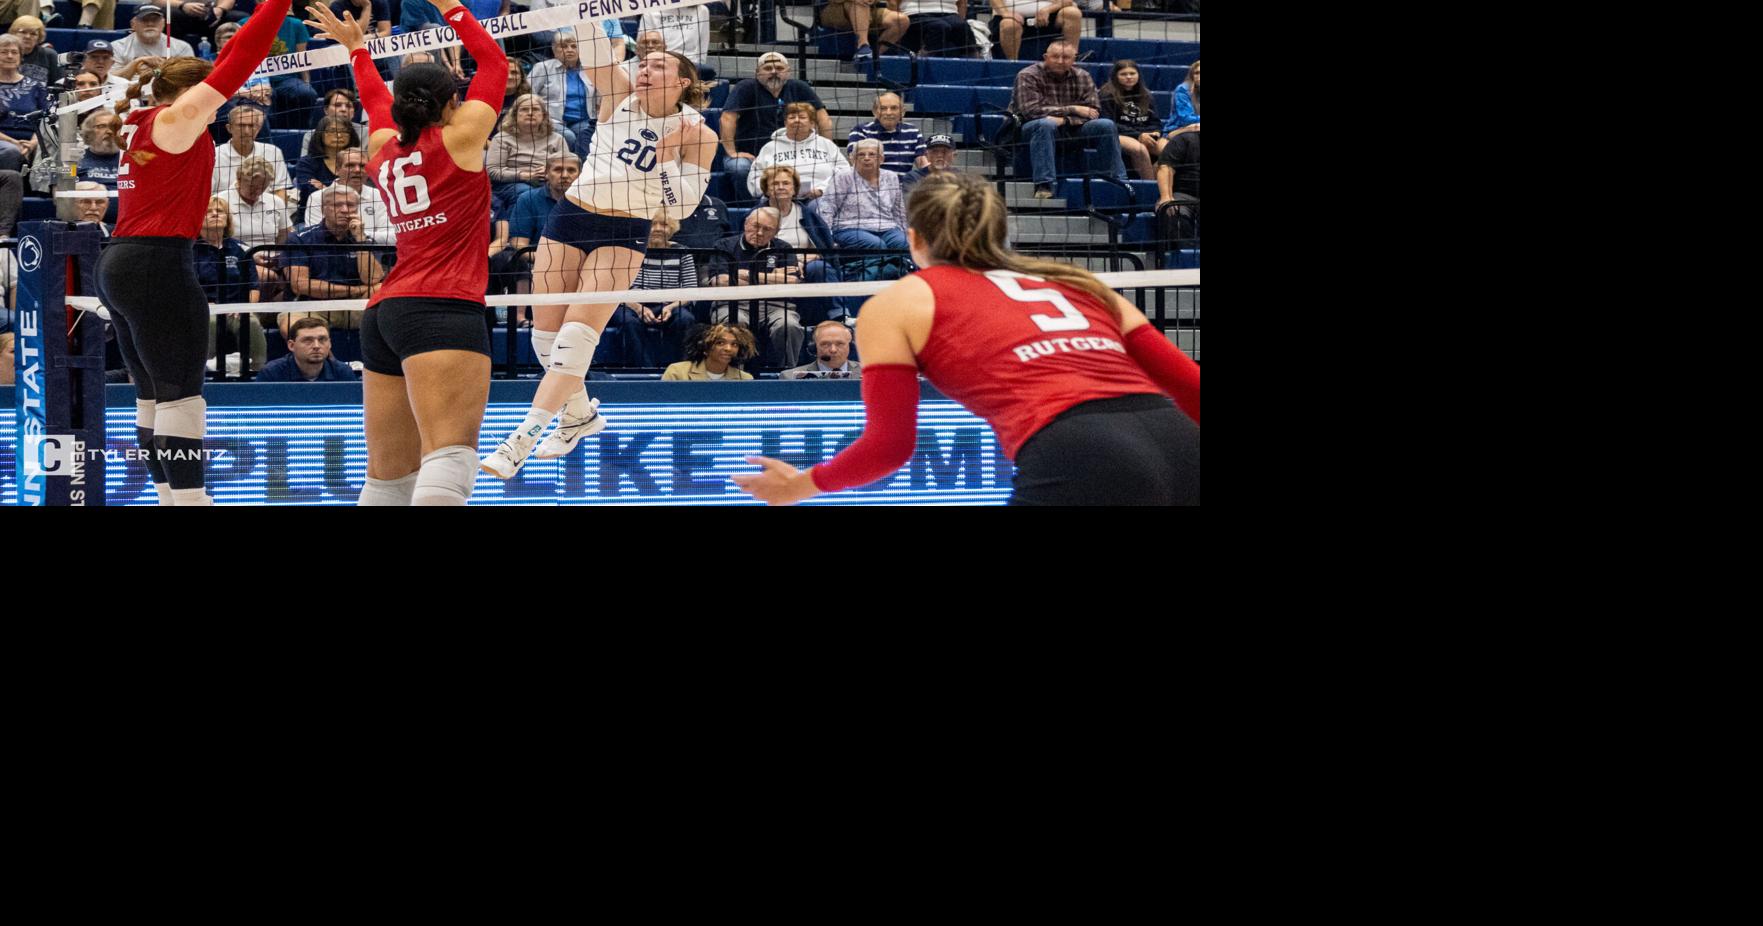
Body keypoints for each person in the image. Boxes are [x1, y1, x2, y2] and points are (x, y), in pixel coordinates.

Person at [736, 172, 1200, 505]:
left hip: (1077, 450)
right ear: (1000, 232)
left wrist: (800, 485)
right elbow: (1191, 387)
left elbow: (890, 446)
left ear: (914, 239)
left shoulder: (899, 302)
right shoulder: (1075, 282)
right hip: (1180, 440)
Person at [481, 27, 716, 478]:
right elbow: (593, 52)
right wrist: (585, 15)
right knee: (545, 339)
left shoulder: (697, 133)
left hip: (624, 230)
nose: (645, 69)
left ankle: (519, 442)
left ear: (682, 80)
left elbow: (682, 207)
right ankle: (579, 415)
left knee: (575, 339)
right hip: (570, 216)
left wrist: (666, 156)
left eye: (658, 65)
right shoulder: (620, 94)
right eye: (643, 62)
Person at [94, 0, 294, 507]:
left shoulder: (139, 118)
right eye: (210, 97)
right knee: (182, 397)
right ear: (188, 94)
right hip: (156, 264)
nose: (218, 108)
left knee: (154, 399)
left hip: (121, 263)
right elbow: (240, 57)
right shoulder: (176, 120)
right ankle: (191, 502)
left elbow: (222, 60)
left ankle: (170, 500)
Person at [306, 0, 505, 504]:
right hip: (443, 307)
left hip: (386, 313)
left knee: (388, 477)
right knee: (450, 456)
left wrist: (357, 49)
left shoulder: (381, 148)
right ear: (450, 103)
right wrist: (450, 5)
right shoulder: (462, 139)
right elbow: (495, 63)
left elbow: (375, 99)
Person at [1010, 40, 1126, 198]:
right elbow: (1031, 111)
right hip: (1029, 129)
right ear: (1045, 57)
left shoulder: (1083, 76)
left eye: (1065, 57)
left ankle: (1117, 181)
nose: (1060, 61)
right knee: (1045, 124)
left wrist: (1065, 120)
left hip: (1072, 129)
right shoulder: (1027, 75)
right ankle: (1045, 185)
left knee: (1106, 125)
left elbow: (1093, 111)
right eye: (1055, 56)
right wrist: (1073, 109)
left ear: (1074, 59)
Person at [719, 52, 831, 204]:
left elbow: (823, 119)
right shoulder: (746, 87)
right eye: (767, 68)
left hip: (787, 155)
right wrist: (732, 152)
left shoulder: (798, 87)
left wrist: (825, 147)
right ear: (757, 73)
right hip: (751, 155)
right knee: (739, 167)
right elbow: (727, 118)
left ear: (788, 72)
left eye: (779, 68)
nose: (773, 72)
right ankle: (754, 208)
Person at [280, 185, 388, 332]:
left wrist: (360, 240)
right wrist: (355, 290)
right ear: (324, 209)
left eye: (350, 205)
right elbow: (301, 285)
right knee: (290, 324)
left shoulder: (364, 239)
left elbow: (372, 279)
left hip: (354, 306)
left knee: (380, 289)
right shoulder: (300, 239)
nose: (345, 210)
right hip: (313, 307)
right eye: (337, 205)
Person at [760, 163, 848, 322]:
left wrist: (803, 261)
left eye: (786, 183)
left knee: (819, 267)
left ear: (794, 189)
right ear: (766, 190)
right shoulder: (756, 215)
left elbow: (823, 249)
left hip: (805, 263)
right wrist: (787, 264)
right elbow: (750, 251)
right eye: (775, 183)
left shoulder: (808, 215)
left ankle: (840, 316)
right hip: (771, 265)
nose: (781, 187)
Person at [609, 215, 697, 368]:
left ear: (672, 229)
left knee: (685, 319)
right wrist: (638, 307)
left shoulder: (682, 251)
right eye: (652, 224)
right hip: (630, 304)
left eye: (663, 224)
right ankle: (644, 369)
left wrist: (671, 307)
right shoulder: (630, 249)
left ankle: (677, 369)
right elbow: (615, 288)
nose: (657, 229)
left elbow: (691, 290)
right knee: (628, 321)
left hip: (669, 304)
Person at [819, 138, 908, 282]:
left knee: (904, 243)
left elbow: (898, 210)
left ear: (881, 159)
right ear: (853, 159)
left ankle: (905, 282)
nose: (866, 158)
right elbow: (827, 207)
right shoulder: (843, 176)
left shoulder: (891, 177)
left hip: (887, 227)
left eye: (872, 154)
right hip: (849, 227)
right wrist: (827, 238)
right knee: (876, 245)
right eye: (861, 154)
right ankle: (867, 283)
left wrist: (904, 232)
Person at [194, 194, 266, 371]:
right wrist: (203, 304)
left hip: (236, 309)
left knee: (251, 323)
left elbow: (253, 286)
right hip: (204, 309)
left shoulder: (239, 249)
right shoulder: (190, 250)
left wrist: (246, 307)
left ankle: (258, 371)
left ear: (227, 219)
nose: (215, 214)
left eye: (220, 211)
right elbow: (186, 287)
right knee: (211, 322)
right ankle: (203, 372)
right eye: (208, 212)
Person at [527, 29, 609, 156]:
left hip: (583, 120)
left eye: (574, 46)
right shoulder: (542, 68)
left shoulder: (589, 69)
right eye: (564, 46)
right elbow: (527, 95)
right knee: (569, 137)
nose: (570, 50)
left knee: (587, 135)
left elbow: (601, 97)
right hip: (550, 121)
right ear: (555, 50)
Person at [487, 92, 568, 213]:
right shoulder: (502, 138)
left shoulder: (557, 138)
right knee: (527, 194)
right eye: (524, 109)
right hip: (511, 184)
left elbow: (568, 166)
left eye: (535, 109)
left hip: (548, 181)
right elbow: (492, 171)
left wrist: (550, 172)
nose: (530, 113)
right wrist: (524, 175)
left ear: (543, 115)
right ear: (515, 114)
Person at [747, 101, 845, 200]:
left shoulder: (826, 145)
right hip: (779, 198)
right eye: (792, 117)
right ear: (785, 123)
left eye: (802, 117)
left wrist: (822, 189)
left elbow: (843, 171)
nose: (797, 120)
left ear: (812, 123)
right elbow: (754, 178)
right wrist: (771, 190)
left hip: (821, 197)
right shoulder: (770, 147)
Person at [302, 147, 394, 242]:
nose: (357, 170)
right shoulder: (318, 197)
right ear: (337, 170)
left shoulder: (381, 195)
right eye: (350, 165)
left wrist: (359, 234)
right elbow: (314, 237)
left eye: (362, 166)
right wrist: (356, 236)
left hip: (371, 250)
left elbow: (392, 237)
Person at [1099, 59, 1164, 180]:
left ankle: (1160, 183)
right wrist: (1138, 135)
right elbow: (1109, 124)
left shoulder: (1146, 94)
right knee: (1139, 149)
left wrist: (1156, 132)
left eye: (1132, 73)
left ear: (1138, 75)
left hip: (1144, 133)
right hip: (1118, 134)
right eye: (1123, 74)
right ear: (1115, 76)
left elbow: (1155, 122)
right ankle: (1149, 186)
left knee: (1168, 149)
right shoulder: (1106, 94)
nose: (1129, 77)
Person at [211, 103, 294, 197]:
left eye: (251, 126)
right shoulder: (214, 155)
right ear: (229, 128)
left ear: (258, 129)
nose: (246, 131)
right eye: (241, 125)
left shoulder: (273, 152)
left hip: (264, 205)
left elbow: (280, 190)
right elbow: (208, 195)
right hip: (224, 205)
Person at [290, 113, 356, 216]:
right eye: (332, 131)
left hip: (353, 213)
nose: (339, 135)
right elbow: (310, 191)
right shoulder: (306, 163)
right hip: (313, 215)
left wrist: (324, 189)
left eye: (344, 131)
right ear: (320, 134)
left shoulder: (357, 161)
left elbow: (360, 190)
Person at [845, 91, 925, 175]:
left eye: (894, 108)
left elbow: (923, 164)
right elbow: (854, 161)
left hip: (905, 183)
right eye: (883, 108)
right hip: (870, 181)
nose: (888, 113)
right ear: (875, 112)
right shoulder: (861, 131)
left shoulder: (913, 132)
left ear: (903, 112)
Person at [255, 317, 360, 381]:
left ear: (330, 343)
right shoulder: (271, 374)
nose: (316, 346)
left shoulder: (343, 373)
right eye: (308, 340)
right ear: (291, 345)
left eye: (322, 339)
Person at [0, 34, 47, 172]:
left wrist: (33, 143)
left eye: (14, 52)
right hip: (4, 141)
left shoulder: (36, 86)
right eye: (4, 52)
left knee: (58, 149)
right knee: (11, 151)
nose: (10, 56)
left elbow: (46, 119)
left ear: (21, 57)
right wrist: (15, 143)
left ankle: (64, 185)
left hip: (34, 139)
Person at [818, 0, 908, 65]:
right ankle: (862, 47)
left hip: (867, 8)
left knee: (901, 21)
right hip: (834, 9)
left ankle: (873, 57)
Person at [661, 322, 756, 380]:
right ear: (705, 347)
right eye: (720, 343)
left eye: (734, 344)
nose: (728, 348)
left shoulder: (745, 379)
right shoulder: (677, 372)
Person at [989, 0, 1080, 60]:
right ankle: (1012, 64)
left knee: (1072, 13)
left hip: (1049, 18)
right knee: (1009, 24)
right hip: (1011, 18)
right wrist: (1005, 13)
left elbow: (1067, 1)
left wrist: (1047, 10)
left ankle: (1072, 57)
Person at [110, 7, 196, 68]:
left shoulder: (182, 48)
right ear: (133, 24)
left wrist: (164, 68)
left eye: (155, 20)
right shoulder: (117, 47)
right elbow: (110, 79)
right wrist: (135, 63)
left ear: (163, 24)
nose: (150, 24)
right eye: (144, 20)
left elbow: (189, 78)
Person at [780, 320, 861, 379]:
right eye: (825, 344)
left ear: (850, 346)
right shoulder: (789, 377)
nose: (833, 350)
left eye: (840, 344)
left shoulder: (868, 373)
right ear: (814, 347)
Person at [300, 87, 365, 154]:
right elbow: (306, 160)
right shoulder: (311, 135)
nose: (343, 109)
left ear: (353, 112)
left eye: (348, 106)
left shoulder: (366, 133)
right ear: (326, 110)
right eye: (337, 105)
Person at [898, 0, 970, 58]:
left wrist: (960, 19)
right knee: (940, 26)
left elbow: (962, 3)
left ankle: (972, 63)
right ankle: (921, 59)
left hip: (949, 13)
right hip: (915, 13)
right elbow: (893, 3)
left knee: (963, 27)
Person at [76, 109, 122, 188]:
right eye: (102, 126)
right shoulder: (75, 162)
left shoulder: (132, 160)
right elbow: (64, 189)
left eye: (114, 126)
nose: (110, 131)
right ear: (89, 133)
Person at [8, 15, 58, 86]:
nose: (28, 37)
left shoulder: (49, 55)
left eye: (33, 34)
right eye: (23, 32)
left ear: (39, 37)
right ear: (13, 33)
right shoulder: (4, 54)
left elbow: (58, 85)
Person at [1162, 59, 1200, 134]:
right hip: (1178, 130)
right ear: (1192, 76)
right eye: (1197, 73)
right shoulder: (1183, 89)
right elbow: (1185, 119)